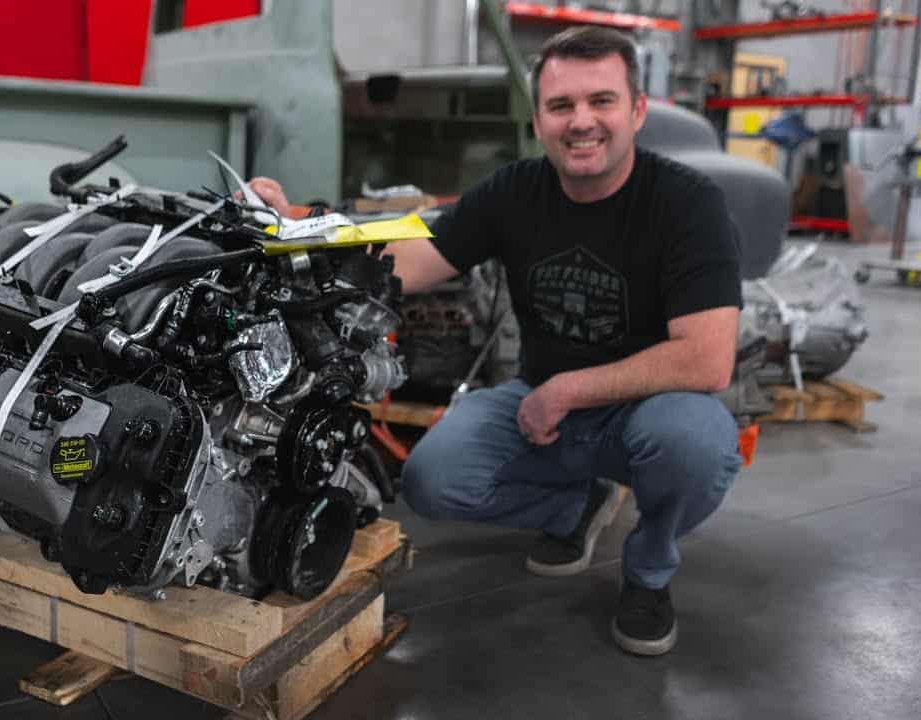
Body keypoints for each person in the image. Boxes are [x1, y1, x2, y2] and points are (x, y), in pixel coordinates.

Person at [249, 26, 742, 657]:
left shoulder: (687, 203)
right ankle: (575, 510)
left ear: (637, 111)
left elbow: (707, 357)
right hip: (542, 409)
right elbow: (406, 259)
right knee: (432, 479)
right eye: (561, 106)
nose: (581, 122)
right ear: (538, 122)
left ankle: (648, 570)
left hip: (644, 410)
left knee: (695, 445)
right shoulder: (515, 192)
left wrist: (568, 390)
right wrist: (298, 224)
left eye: (602, 101)